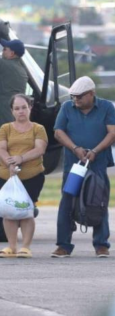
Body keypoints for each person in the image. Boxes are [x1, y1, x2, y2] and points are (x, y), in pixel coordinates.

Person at [52, 76, 115, 258]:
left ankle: (101, 244)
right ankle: (63, 245)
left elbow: (112, 133)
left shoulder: (106, 107)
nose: (76, 100)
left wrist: (95, 150)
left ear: (91, 94)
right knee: (67, 201)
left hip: (97, 164)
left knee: (99, 200)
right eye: (73, 96)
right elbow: (58, 132)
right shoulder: (67, 107)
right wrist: (75, 148)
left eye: (80, 96)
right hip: (74, 165)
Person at [0, 94, 48, 258]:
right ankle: (11, 247)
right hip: (7, 176)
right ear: (12, 111)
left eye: (24, 107)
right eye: (17, 108)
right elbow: (1, 148)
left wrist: (21, 159)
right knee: (8, 211)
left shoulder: (38, 129)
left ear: (30, 108)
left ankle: (25, 246)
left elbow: (40, 149)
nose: (21, 111)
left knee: (26, 210)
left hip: (32, 175)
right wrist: (10, 162)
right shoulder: (5, 128)